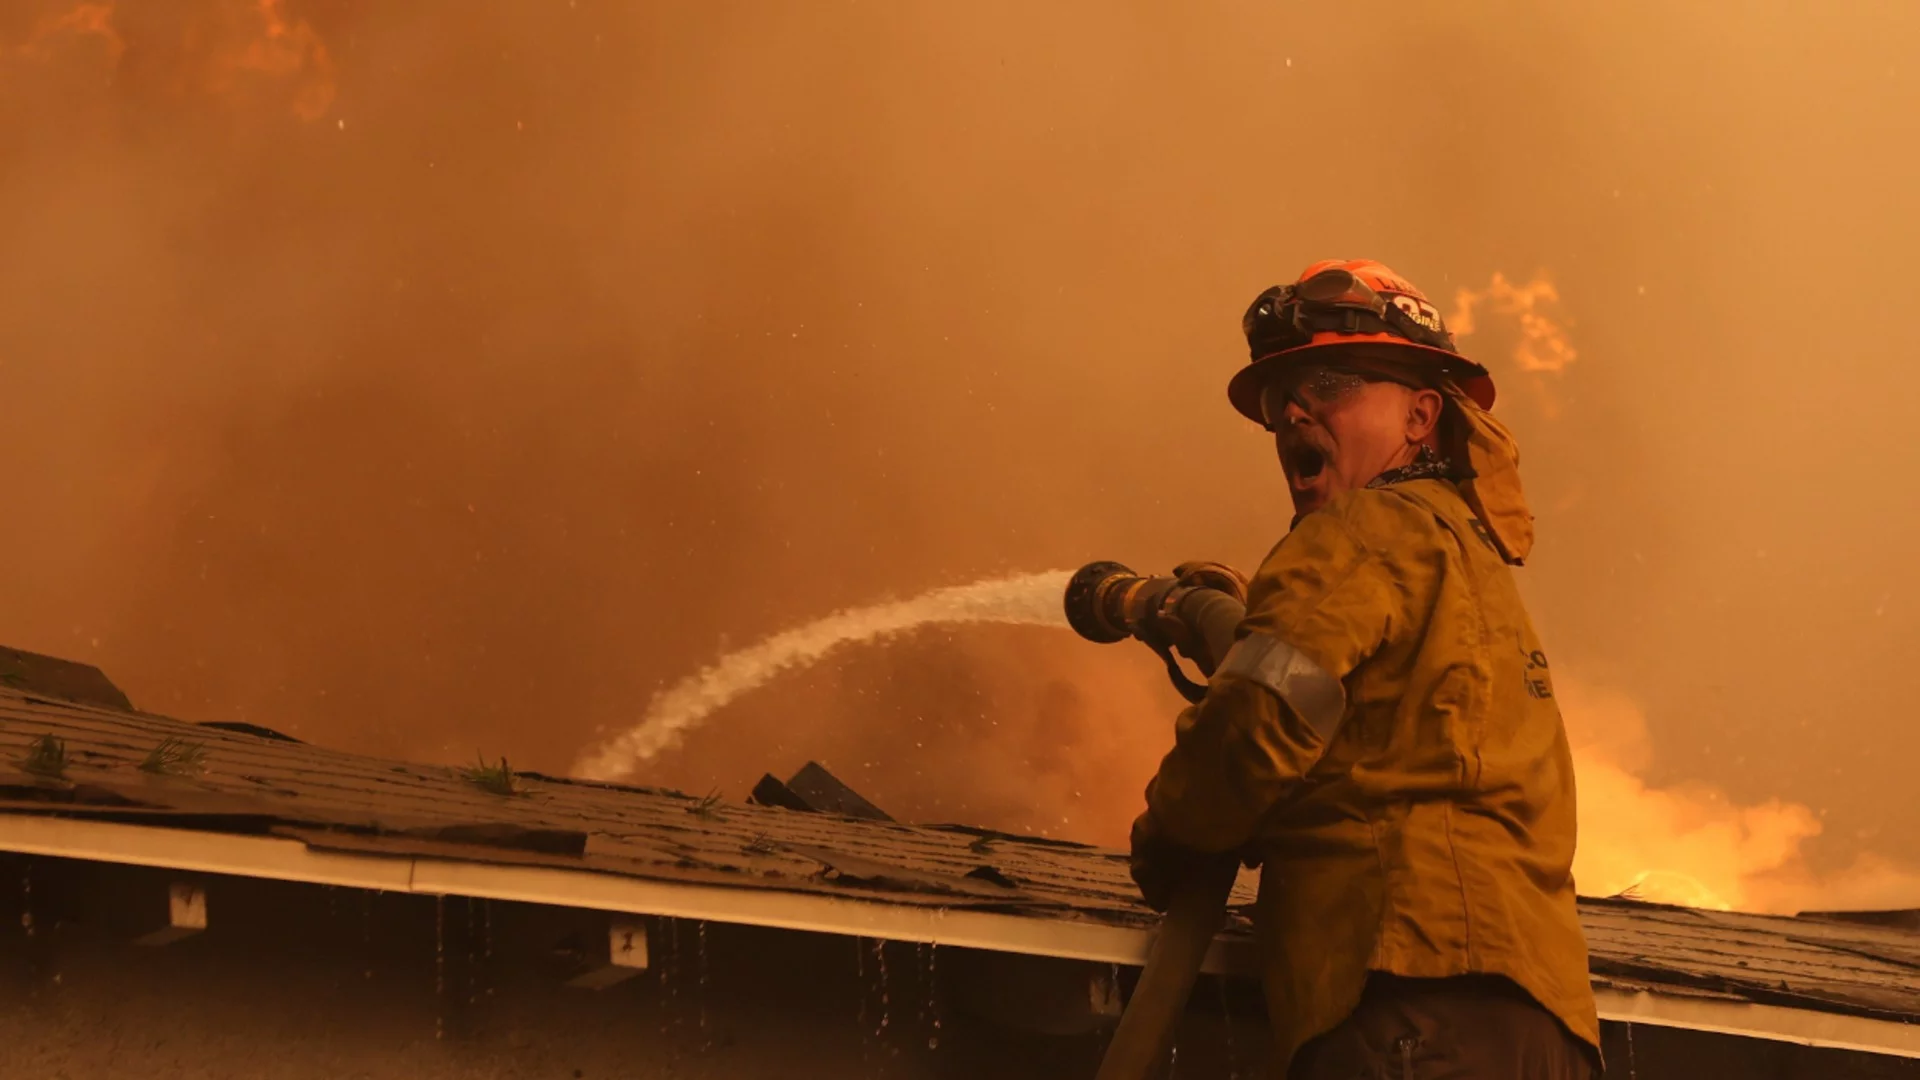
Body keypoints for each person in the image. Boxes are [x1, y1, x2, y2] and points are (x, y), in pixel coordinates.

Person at [1128, 259, 1601, 1079]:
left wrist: (1172, 830)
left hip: (1409, 1000)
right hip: (1541, 1024)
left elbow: (1258, 720)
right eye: (1282, 403)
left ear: (1422, 416)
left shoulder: (1364, 529)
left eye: (1334, 382)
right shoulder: (1469, 562)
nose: (1297, 413)